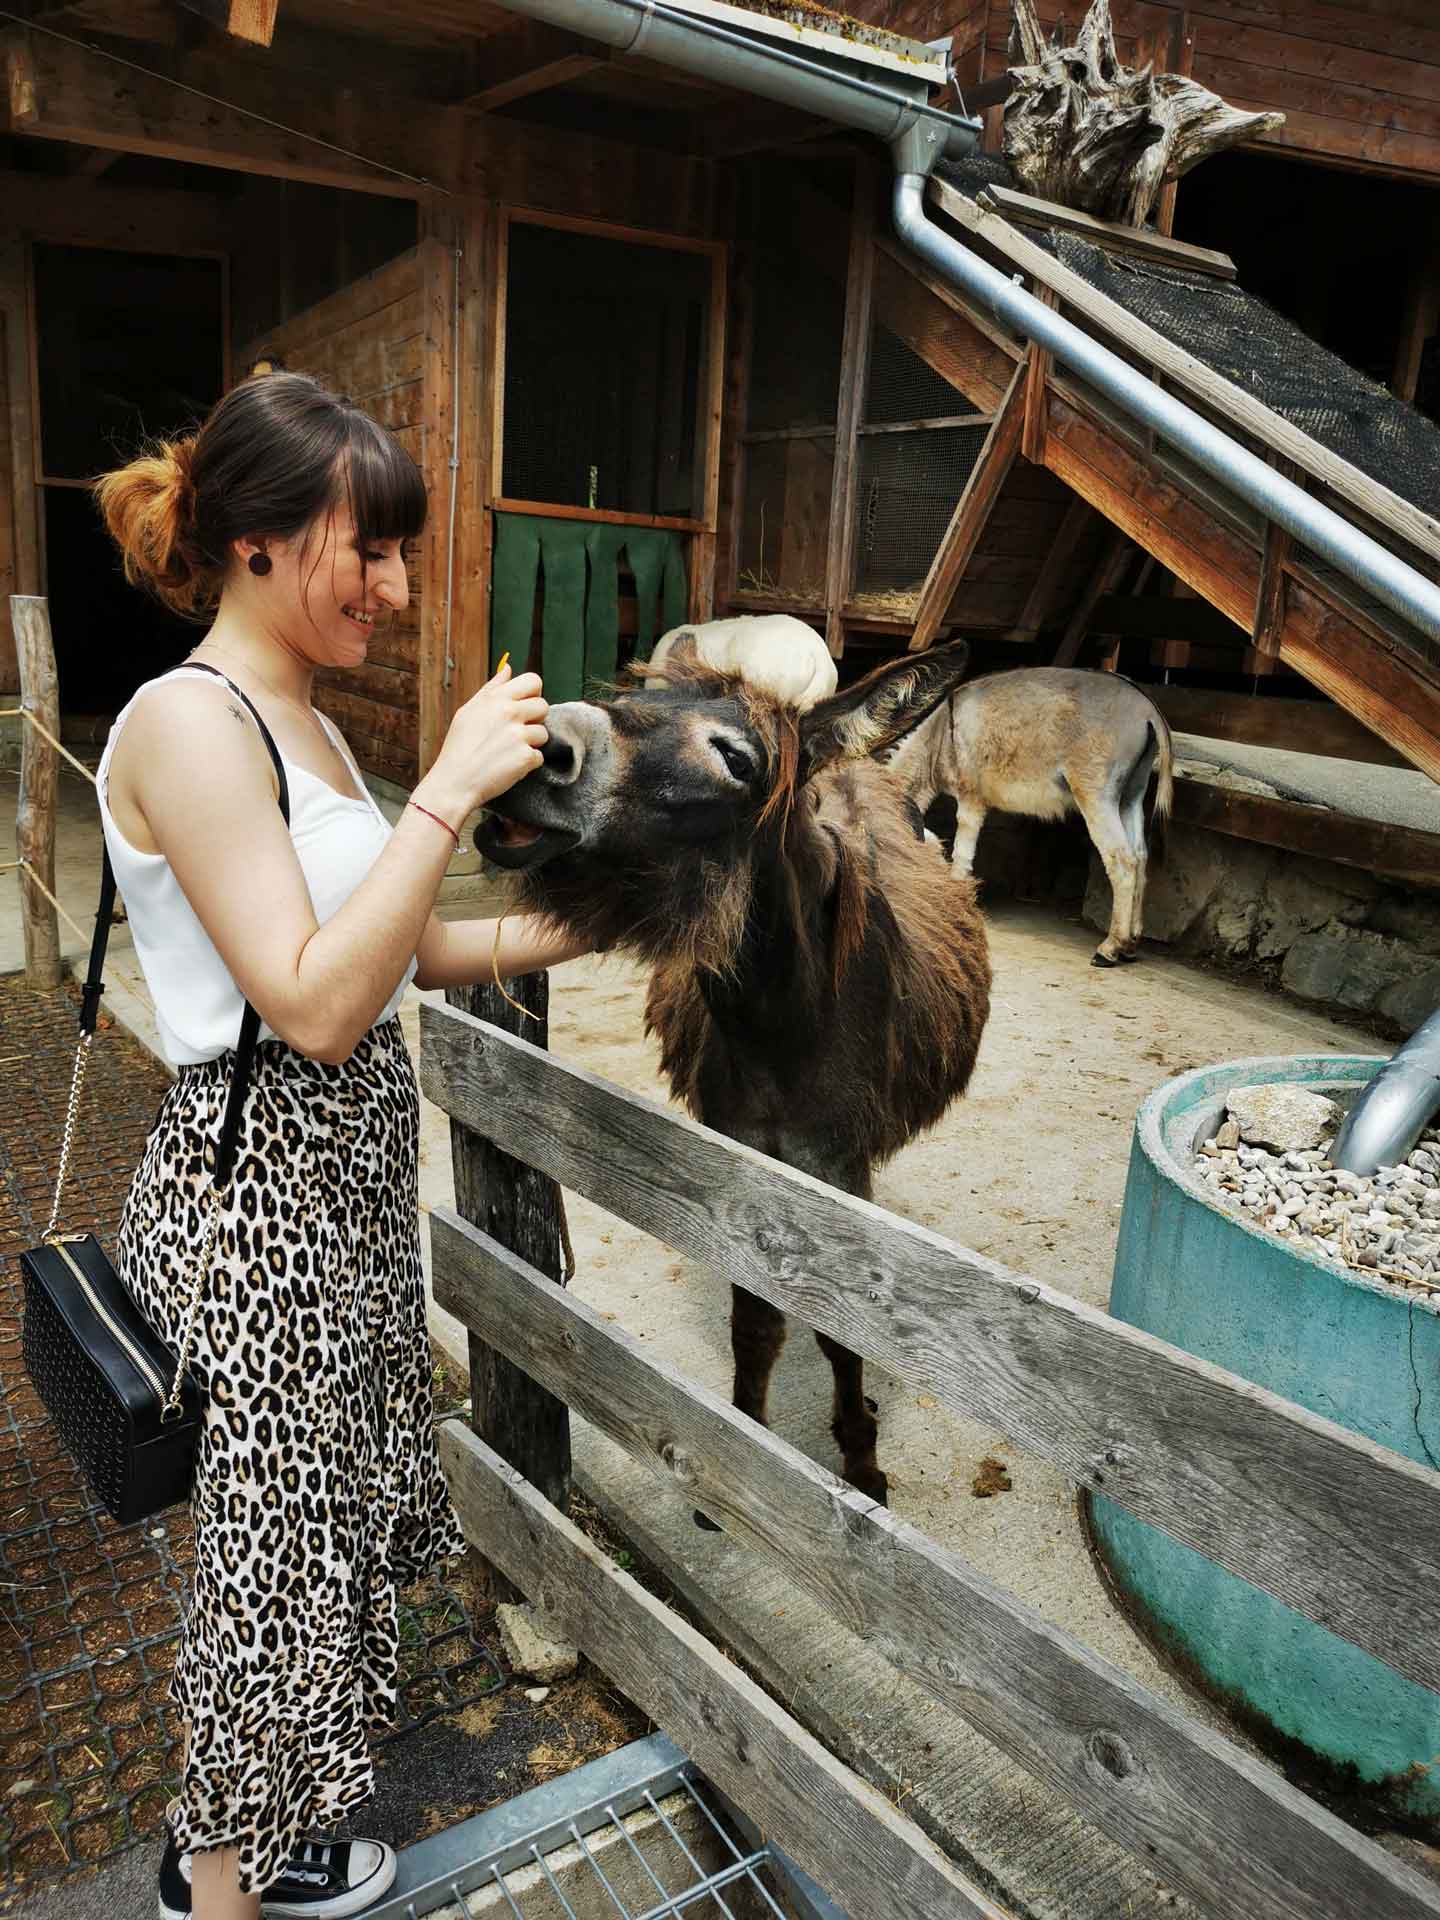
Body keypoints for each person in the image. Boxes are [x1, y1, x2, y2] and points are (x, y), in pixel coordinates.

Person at [93, 371, 581, 1920]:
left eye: (399, 552)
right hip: (256, 1222)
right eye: (367, 549)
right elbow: (310, 1004)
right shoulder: (189, 722)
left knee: (315, 1552)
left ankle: (272, 1838)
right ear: (256, 541)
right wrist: (448, 787)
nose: (397, 586)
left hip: (342, 1202)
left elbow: (403, 954)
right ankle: (213, 1889)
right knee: (264, 1581)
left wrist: (602, 923)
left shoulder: (304, 718)